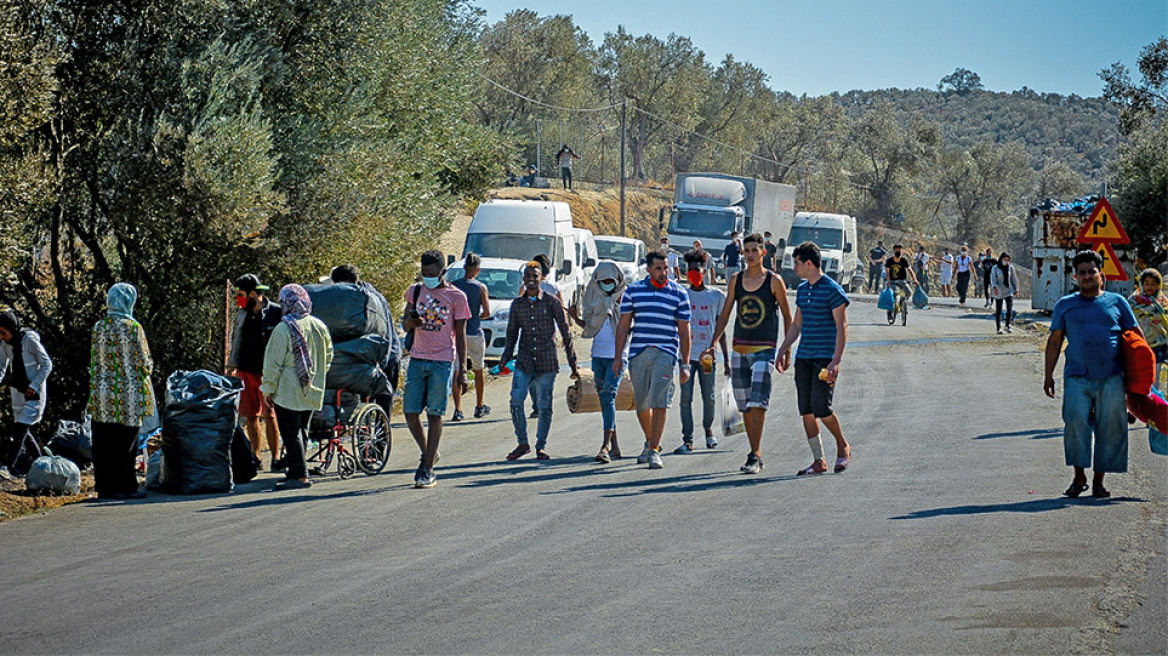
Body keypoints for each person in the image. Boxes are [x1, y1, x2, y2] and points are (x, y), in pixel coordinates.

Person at [1044, 250, 1140, 499]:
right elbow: (1054, 341)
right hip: (1077, 377)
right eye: (1082, 273)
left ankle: (1099, 481)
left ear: (1102, 276)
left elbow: (1136, 339)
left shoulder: (1118, 303)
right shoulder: (1065, 305)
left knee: (1110, 428)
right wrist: (1048, 375)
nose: (1087, 276)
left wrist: (1141, 379)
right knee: (1075, 425)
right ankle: (1079, 477)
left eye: (1091, 272)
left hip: (1112, 377)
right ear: (1075, 277)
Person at [705, 234, 793, 474]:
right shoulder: (736, 280)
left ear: (763, 253)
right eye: (747, 250)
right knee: (744, 406)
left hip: (764, 349)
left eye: (755, 250)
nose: (751, 254)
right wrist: (712, 343)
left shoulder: (774, 281)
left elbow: (787, 315)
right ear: (742, 253)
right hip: (739, 349)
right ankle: (754, 451)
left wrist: (786, 348)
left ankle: (755, 454)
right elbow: (724, 315)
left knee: (758, 403)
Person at [776, 242, 852, 475]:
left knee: (821, 406)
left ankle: (842, 445)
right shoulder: (802, 288)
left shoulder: (832, 289)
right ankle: (819, 460)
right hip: (805, 356)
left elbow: (842, 326)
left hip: (824, 357)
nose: (794, 267)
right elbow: (797, 323)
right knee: (806, 409)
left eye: (797, 262)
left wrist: (836, 360)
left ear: (809, 263)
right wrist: (784, 347)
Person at [613, 250, 692, 469]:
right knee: (642, 402)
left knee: (660, 401)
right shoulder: (633, 292)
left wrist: (685, 364)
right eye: (658, 268)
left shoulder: (679, 293)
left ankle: (655, 450)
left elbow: (685, 332)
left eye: (665, 268)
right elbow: (623, 326)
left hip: (666, 353)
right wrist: (618, 357)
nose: (663, 272)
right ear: (648, 270)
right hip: (638, 353)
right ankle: (650, 441)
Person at [402, 250, 470, 488]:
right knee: (410, 412)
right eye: (423, 273)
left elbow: (460, 336)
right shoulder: (416, 291)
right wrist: (411, 323)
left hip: (443, 361)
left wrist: (462, 370)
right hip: (417, 358)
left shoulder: (457, 297)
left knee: (434, 414)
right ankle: (428, 452)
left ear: (443, 271)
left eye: (431, 274)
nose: (427, 278)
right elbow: (405, 322)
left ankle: (427, 467)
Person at [501, 261, 579, 461]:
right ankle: (522, 443)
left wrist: (573, 364)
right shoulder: (517, 304)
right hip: (525, 359)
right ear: (524, 280)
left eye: (534, 276)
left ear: (541, 278)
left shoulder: (552, 302)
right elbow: (511, 334)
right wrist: (505, 358)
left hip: (547, 362)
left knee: (545, 405)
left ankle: (540, 446)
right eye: (527, 276)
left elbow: (565, 332)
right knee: (516, 400)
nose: (531, 280)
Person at [261, 284, 333, 491]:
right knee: (301, 430)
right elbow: (328, 357)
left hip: (288, 390)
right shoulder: (319, 326)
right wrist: (317, 375)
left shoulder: (284, 328)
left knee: (290, 433)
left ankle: (300, 476)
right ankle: (295, 471)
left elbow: (273, 362)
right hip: (312, 388)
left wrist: (267, 388)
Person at [87, 283, 155, 499]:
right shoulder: (133, 327)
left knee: (103, 442)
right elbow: (144, 363)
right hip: (127, 396)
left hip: (101, 394)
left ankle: (104, 487)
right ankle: (125, 487)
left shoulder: (99, 326)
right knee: (126, 442)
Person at [569, 261, 628, 463]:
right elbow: (589, 324)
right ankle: (616, 446)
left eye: (610, 281)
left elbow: (630, 326)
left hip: (617, 356)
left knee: (608, 394)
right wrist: (574, 316)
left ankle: (604, 446)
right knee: (605, 400)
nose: (607, 285)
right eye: (603, 281)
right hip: (598, 356)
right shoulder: (593, 296)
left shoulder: (626, 297)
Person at [226, 274, 283, 470]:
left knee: (270, 414)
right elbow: (236, 340)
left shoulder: (276, 312)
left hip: (267, 372)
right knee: (250, 414)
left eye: (241, 294)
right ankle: (255, 456)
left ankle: (276, 457)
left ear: (252, 294)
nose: (238, 299)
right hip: (245, 370)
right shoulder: (242, 313)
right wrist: (232, 366)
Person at [675, 250, 730, 454]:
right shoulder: (681, 294)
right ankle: (687, 439)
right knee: (685, 397)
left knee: (709, 396)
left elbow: (720, 329)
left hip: (707, 356)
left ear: (705, 271)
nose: (693, 274)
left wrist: (725, 359)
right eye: (690, 270)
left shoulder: (716, 295)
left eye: (697, 270)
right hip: (685, 356)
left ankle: (708, 431)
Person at [329, 264, 402, 405]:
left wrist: (381, 364)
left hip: (388, 355)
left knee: (383, 400)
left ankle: (384, 425)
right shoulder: (343, 299)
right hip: (362, 358)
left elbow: (385, 334)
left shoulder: (372, 299)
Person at [0, 310, 51, 478]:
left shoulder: (29, 340)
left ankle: (7, 466)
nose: (2, 336)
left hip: (33, 394)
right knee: (24, 432)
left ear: (12, 329)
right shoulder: (5, 345)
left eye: (3, 333)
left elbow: (46, 364)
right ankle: (43, 465)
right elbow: (2, 367)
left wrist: (35, 385)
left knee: (20, 429)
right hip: (18, 391)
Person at [450, 253, 492, 421]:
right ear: (478, 270)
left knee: (457, 371)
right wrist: (475, 317)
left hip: (457, 334)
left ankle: (458, 409)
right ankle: (479, 405)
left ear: (464, 267)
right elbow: (487, 312)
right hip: (475, 332)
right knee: (479, 369)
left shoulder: (454, 285)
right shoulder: (481, 287)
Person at [1128, 269, 1168, 385]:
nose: (1149, 287)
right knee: (1139, 378)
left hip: (1158, 346)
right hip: (1139, 344)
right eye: (1147, 283)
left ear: (1158, 286)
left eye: (1153, 284)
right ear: (1141, 284)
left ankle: (1153, 400)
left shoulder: (1163, 304)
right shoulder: (1133, 302)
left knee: (1154, 378)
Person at [884, 244, 918, 316]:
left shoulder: (904, 260)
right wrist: (888, 281)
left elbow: (910, 270)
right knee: (894, 294)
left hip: (902, 281)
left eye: (899, 249)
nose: (898, 251)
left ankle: (902, 304)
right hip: (892, 281)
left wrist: (915, 279)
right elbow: (887, 272)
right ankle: (890, 310)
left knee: (909, 292)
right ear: (894, 251)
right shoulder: (889, 261)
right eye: (897, 249)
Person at [990, 252, 1019, 334]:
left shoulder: (1010, 268)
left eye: (1008, 260)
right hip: (999, 290)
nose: (1006, 261)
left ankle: (1007, 325)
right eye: (1005, 260)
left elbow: (1014, 279)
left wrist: (1016, 289)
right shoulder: (995, 268)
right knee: (998, 309)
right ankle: (998, 327)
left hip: (1009, 289)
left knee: (1009, 308)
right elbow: (993, 278)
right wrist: (994, 287)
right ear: (1001, 259)